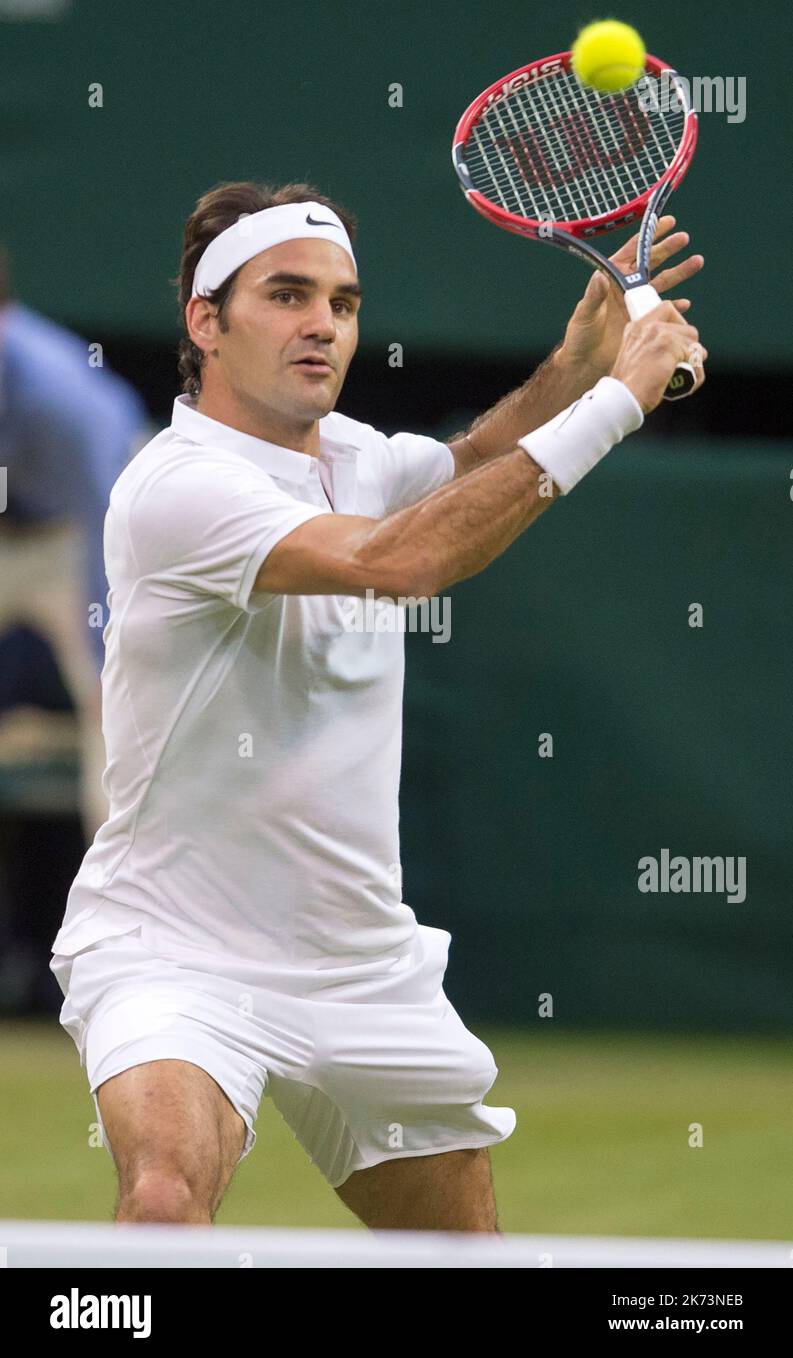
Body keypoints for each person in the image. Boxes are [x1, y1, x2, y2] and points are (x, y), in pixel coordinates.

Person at [48, 180, 705, 1233]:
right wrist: (619, 399)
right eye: (288, 295)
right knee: (164, 1198)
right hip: (174, 949)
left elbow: (471, 466)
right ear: (204, 320)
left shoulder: (356, 457)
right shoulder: (175, 487)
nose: (323, 324)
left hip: (361, 962)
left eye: (344, 303)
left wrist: (576, 363)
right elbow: (403, 560)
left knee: (462, 1259)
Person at [0, 254, 150, 840]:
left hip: (86, 531)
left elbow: (105, 514)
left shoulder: (58, 393)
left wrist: (102, 645)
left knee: (111, 698)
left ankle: (121, 909)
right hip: (16, 531)